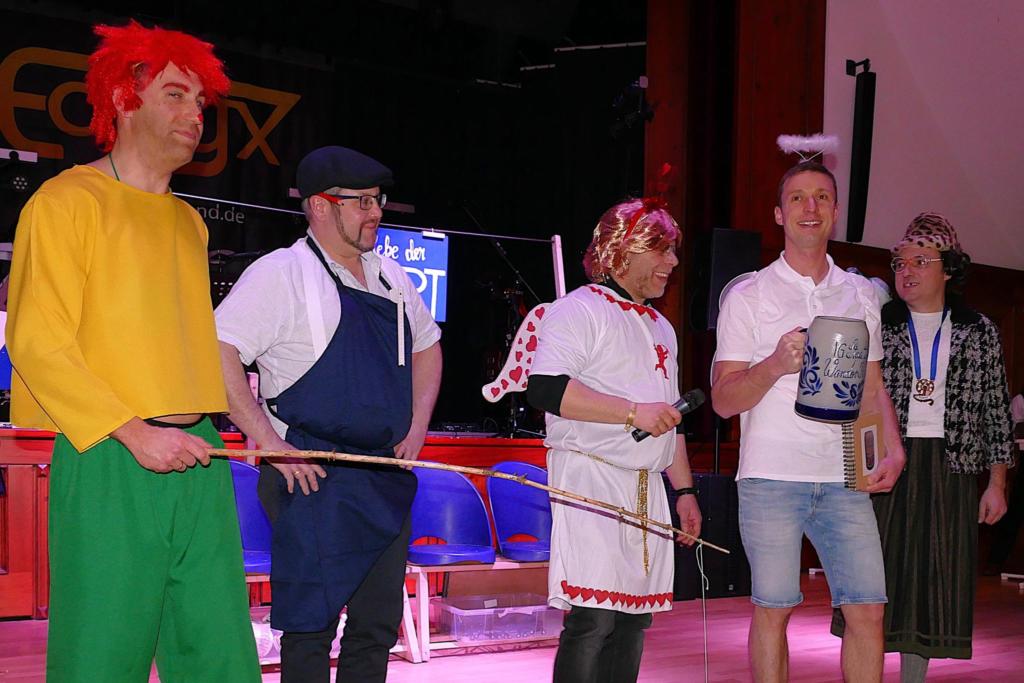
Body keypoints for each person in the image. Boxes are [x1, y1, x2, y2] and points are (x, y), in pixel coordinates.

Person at [4, 21, 260, 682]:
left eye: (199, 102)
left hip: (200, 456)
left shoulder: (189, 222)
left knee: (220, 654)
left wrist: (253, 431)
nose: (194, 115)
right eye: (175, 95)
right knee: (101, 656)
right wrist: (133, 431)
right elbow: (36, 340)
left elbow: (193, 345)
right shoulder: (65, 202)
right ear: (123, 99)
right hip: (110, 454)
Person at [215, 145, 442, 683]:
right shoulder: (281, 274)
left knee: (376, 628)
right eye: (361, 201)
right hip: (312, 478)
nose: (375, 211)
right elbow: (217, 351)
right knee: (310, 628)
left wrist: (418, 425)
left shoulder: (392, 278)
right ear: (320, 205)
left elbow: (428, 347)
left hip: (384, 475)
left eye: (378, 200)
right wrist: (270, 444)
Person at [712, 159, 906, 683]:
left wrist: (892, 445)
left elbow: (872, 386)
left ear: (835, 211)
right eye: (797, 197)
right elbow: (724, 401)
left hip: (845, 478)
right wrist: (775, 364)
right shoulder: (748, 295)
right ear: (779, 214)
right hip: (771, 477)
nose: (810, 206)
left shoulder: (860, 294)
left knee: (868, 609)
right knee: (773, 610)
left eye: (821, 196)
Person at [526, 198, 702, 683]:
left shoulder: (661, 327)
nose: (673, 262)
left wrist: (685, 490)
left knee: (634, 619)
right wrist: (631, 412)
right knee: (594, 618)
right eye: (662, 250)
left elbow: (671, 418)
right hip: (591, 476)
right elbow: (546, 389)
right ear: (625, 251)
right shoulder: (578, 309)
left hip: (647, 487)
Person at [834, 213, 1015, 682]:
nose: (906, 271)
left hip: (951, 466)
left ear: (948, 269)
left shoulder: (979, 330)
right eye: (899, 263)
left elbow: (996, 410)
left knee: (931, 585)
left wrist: (996, 483)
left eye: (920, 261)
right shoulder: (878, 324)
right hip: (885, 460)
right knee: (870, 579)